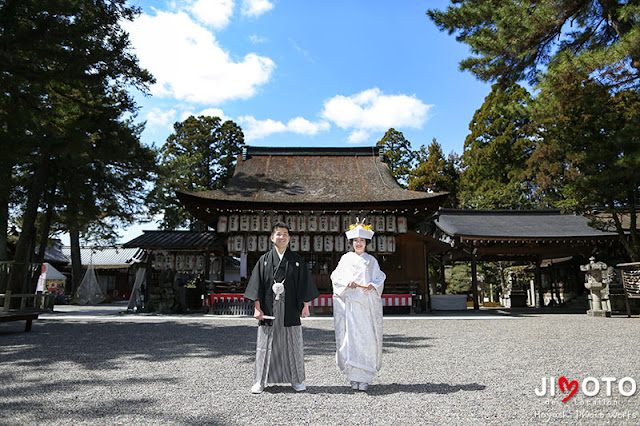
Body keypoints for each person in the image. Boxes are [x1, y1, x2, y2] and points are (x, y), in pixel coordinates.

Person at [244, 222, 319, 394]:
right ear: (272, 238)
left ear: (289, 238)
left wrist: (306, 306)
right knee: (264, 344)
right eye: (278, 234)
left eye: (285, 234)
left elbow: (303, 285)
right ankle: (260, 381)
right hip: (268, 308)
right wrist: (257, 308)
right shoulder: (263, 261)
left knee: (294, 343)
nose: (282, 237)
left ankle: (297, 380)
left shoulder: (297, 261)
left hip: (290, 307)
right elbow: (257, 286)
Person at [330, 220, 385, 391]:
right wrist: (348, 282)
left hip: (366, 306)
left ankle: (365, 377)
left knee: (366, 339)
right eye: (355, 240)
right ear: (352, 242)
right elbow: (336, 277)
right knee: (351, 339)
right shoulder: (346, 259)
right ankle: (353, 376)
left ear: (366, 243)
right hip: (351, 306)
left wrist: (373, 285)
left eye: (362, 240)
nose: (358, 243)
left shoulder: (371, 261)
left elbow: (380, 277)